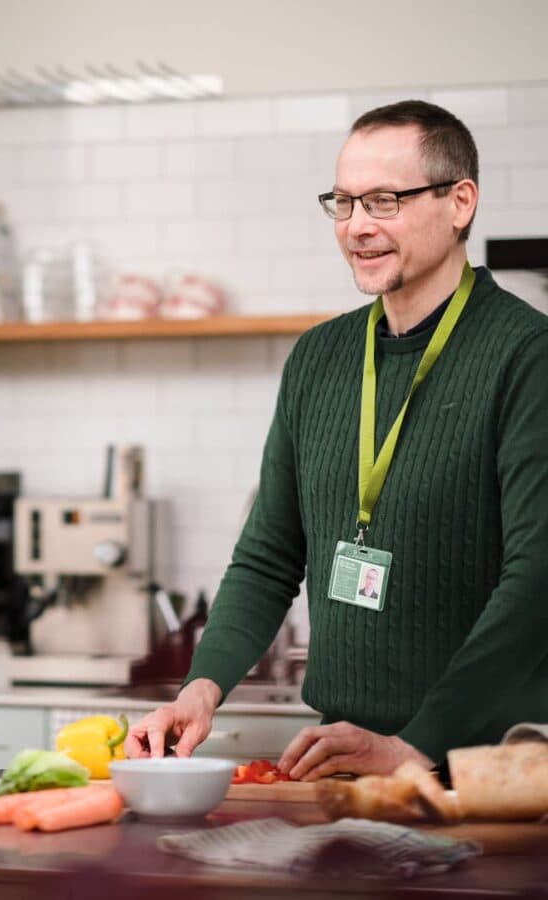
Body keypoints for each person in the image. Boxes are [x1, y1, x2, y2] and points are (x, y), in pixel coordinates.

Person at [125, 100, 548, 781]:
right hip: (346, 761)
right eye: (344, 202)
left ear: (459, 202)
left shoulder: (527, 356)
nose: (357, 227)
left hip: (485, 771)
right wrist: (201, 689)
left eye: (384, 201)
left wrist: (419, 744)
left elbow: (536, 582)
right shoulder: (319, 358)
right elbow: (267, 557)